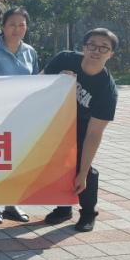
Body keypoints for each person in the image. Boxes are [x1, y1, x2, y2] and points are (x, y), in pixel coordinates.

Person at [43, 28, 119, 232]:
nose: (96, 51)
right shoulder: (65, 59)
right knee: (57, 164)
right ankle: (63, 208)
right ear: (84, 47)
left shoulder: (107, 91)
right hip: (56, 122)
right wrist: (56, 80)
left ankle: (88, 212)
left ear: (111, 54)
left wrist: (83, 173)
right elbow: (38, 82)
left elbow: (94, 134)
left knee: (82, 168)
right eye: (92, 45)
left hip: (83, 128)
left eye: (104, 48)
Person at [0, 7, 39, 224]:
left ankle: (12, 204)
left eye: (21, 25)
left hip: (21, 116)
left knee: (17, 161)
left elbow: (36, 82)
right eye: (12, 24)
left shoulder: (30, 52)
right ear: (3, 27)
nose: (17, 29)